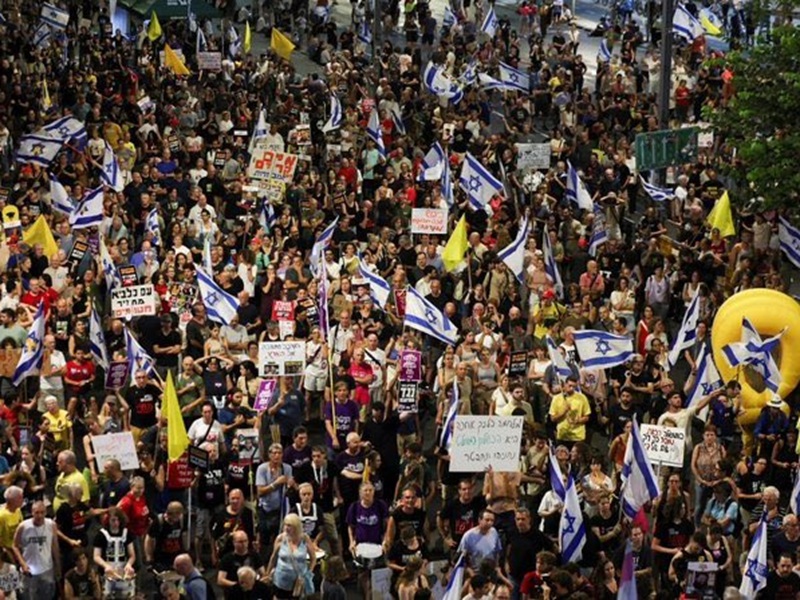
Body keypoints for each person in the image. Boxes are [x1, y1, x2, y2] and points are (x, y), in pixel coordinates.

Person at [12, 500, 60, 600]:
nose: (39, 515)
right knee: (27, 595)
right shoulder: (23, 526)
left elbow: (54, 545)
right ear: (32, 512)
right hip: (29, 569)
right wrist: (23, 564)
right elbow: (15, 546)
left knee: (47, 595)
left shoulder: (51, 525)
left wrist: (58, 565)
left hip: (46, 568)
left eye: (42, 512)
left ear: (46, 512)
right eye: (37, 512)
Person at [265, 513, 316, 599]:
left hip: (298, 581)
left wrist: (309, 573)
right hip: (281, 580)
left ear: (296, 526)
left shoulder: (304, 539)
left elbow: (313, 558)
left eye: (289, 525)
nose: (286, 528)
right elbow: (273, 558)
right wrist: (267, 574)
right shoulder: (280, 538)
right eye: (285, 525)